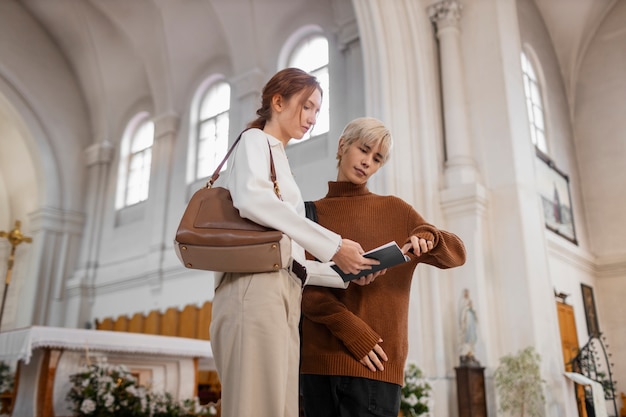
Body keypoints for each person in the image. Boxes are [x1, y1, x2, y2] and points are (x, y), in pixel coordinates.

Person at [208, 69, 379, 417]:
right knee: (254, 408)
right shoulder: (253, 142)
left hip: (282, 294)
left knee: (278, 408)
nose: (313, 118)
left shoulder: (279, 159)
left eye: (318, 111)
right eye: (307, 107)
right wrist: (335, 245)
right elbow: (253, 200)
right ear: (278, 101)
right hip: (253, 293)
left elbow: (291, 259)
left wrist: (345, 273)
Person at [300, 117, 467, 417]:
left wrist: (430, 237)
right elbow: (303, 289)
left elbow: (457, 255)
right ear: (342, 146)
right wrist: (353, 332)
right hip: (317, 365)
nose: (367, 162)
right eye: (363, 150)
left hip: (377, 368)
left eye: (376, 159)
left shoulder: (396, 210)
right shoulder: (310, 215)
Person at [458, 288, 479, 366]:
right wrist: (467, 308)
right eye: (465, 293)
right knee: (466, 339)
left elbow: (475, 312)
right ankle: (466, 354)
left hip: (471, 322)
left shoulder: (470, 301)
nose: (467, 294)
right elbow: (462, 313)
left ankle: (471, 354)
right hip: (466, 323)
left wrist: (471, 308)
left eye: (467, 293)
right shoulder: (462, 302)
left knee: (471, 339)